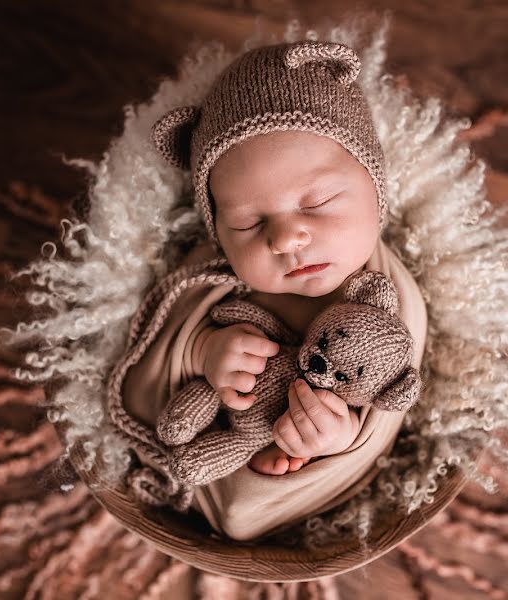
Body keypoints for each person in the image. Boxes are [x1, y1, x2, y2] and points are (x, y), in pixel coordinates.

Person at [121, 40, 428, 540]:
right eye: (248, 222)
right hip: (209, 441)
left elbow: (391, 411)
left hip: (287, 477)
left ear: (376, 190)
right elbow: (143, 368)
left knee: (252, 507)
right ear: (218, 232)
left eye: (319, 201)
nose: (285, 238)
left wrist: (341, 437)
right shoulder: (211, 280)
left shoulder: (392, 297)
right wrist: (202, 351)